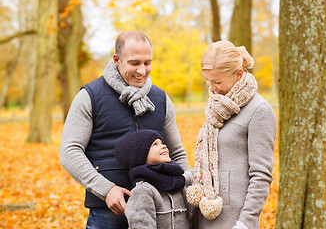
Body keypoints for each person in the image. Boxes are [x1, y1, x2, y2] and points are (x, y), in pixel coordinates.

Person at [60, 30, 190, 229]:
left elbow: (177, 152)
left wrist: (187, 190)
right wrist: (107, 190)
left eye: (147, 63)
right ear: (117, 60)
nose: (142, 71)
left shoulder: (161, 99)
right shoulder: (90, 96)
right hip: (109, 212)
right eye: (134, 63)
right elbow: (70, 152)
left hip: (158, 210)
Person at [186, 41, 277, 228]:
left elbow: (261, 175)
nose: (211, 87)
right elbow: (211, 162)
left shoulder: (259, 111)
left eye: (217, 81)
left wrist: (245, 223)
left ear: (239, 74)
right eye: (208, 80)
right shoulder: (217, 107)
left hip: (233, 221)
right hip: (204, 214)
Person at [114, 129, 192, 229]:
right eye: (155, 144)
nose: (163, 146)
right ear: (140, 156)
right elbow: (140, 225)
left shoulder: (178, 182)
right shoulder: (143, 190)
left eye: (162, 143)